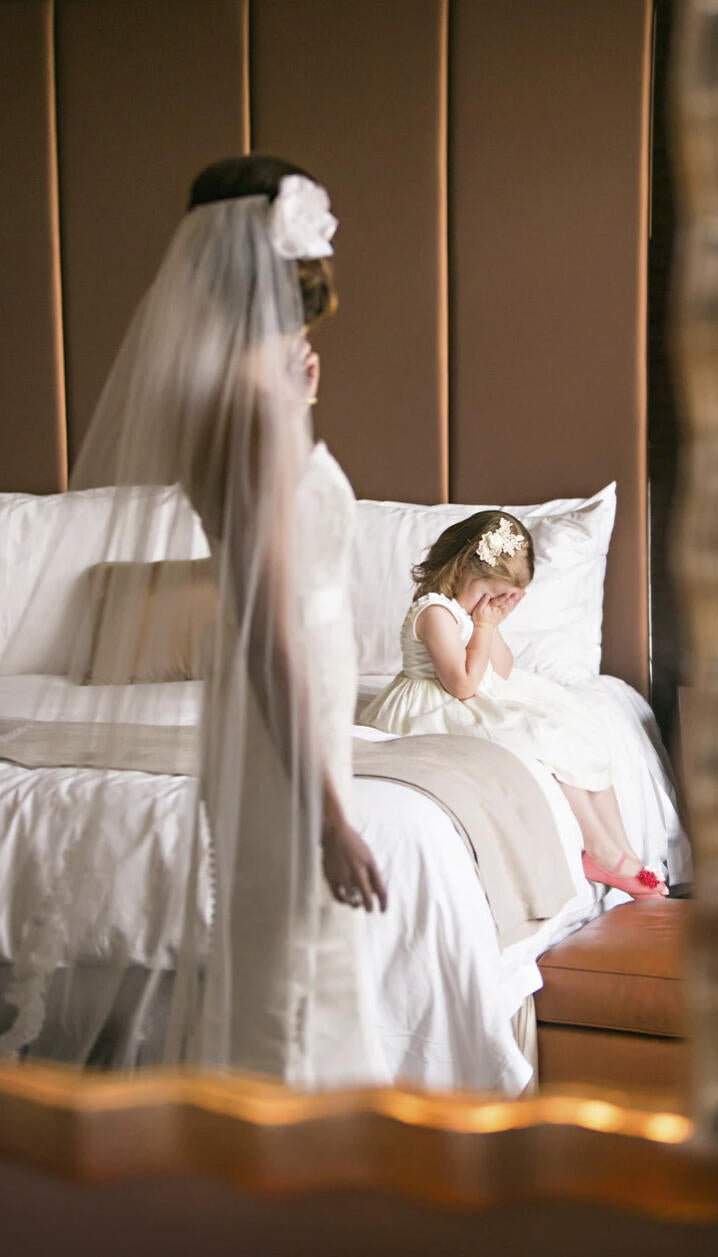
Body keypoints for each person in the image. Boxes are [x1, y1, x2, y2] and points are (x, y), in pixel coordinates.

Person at [0, 156, 387, 1083]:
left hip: (296, 710)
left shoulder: (247, 397)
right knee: (291, 964)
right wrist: (331, 813)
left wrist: (298, 404)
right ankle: (279, 1179)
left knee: (288, 957)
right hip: (283, 715)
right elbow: (266, 628)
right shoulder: (251, 412)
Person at [360, 511, 669, 899]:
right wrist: (484, 627)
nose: (493, 603)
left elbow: (501, 670)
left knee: (577, 728)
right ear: (461, 571)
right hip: (432, 704)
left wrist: (493, 623)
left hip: (469, 692)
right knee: (538, 738)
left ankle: (621, 850)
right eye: (491, 593)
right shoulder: (435, 612)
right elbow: (463, 687)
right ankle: (602, 851)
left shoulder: (470, 611)